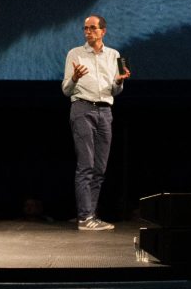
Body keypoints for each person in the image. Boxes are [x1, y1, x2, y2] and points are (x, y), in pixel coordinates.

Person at [62, 15, 130, 231]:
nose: (88, 31)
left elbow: (116, 91)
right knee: (86, 165)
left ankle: (90, 216)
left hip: (105, 112)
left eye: (92, 28)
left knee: (100, 168)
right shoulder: (75, 54)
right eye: (85, 28)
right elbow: (66, 90)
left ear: (103, 31)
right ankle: (84, 217)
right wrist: (74, 78)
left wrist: (118, 82)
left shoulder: (114, 55)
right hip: (83, 109)